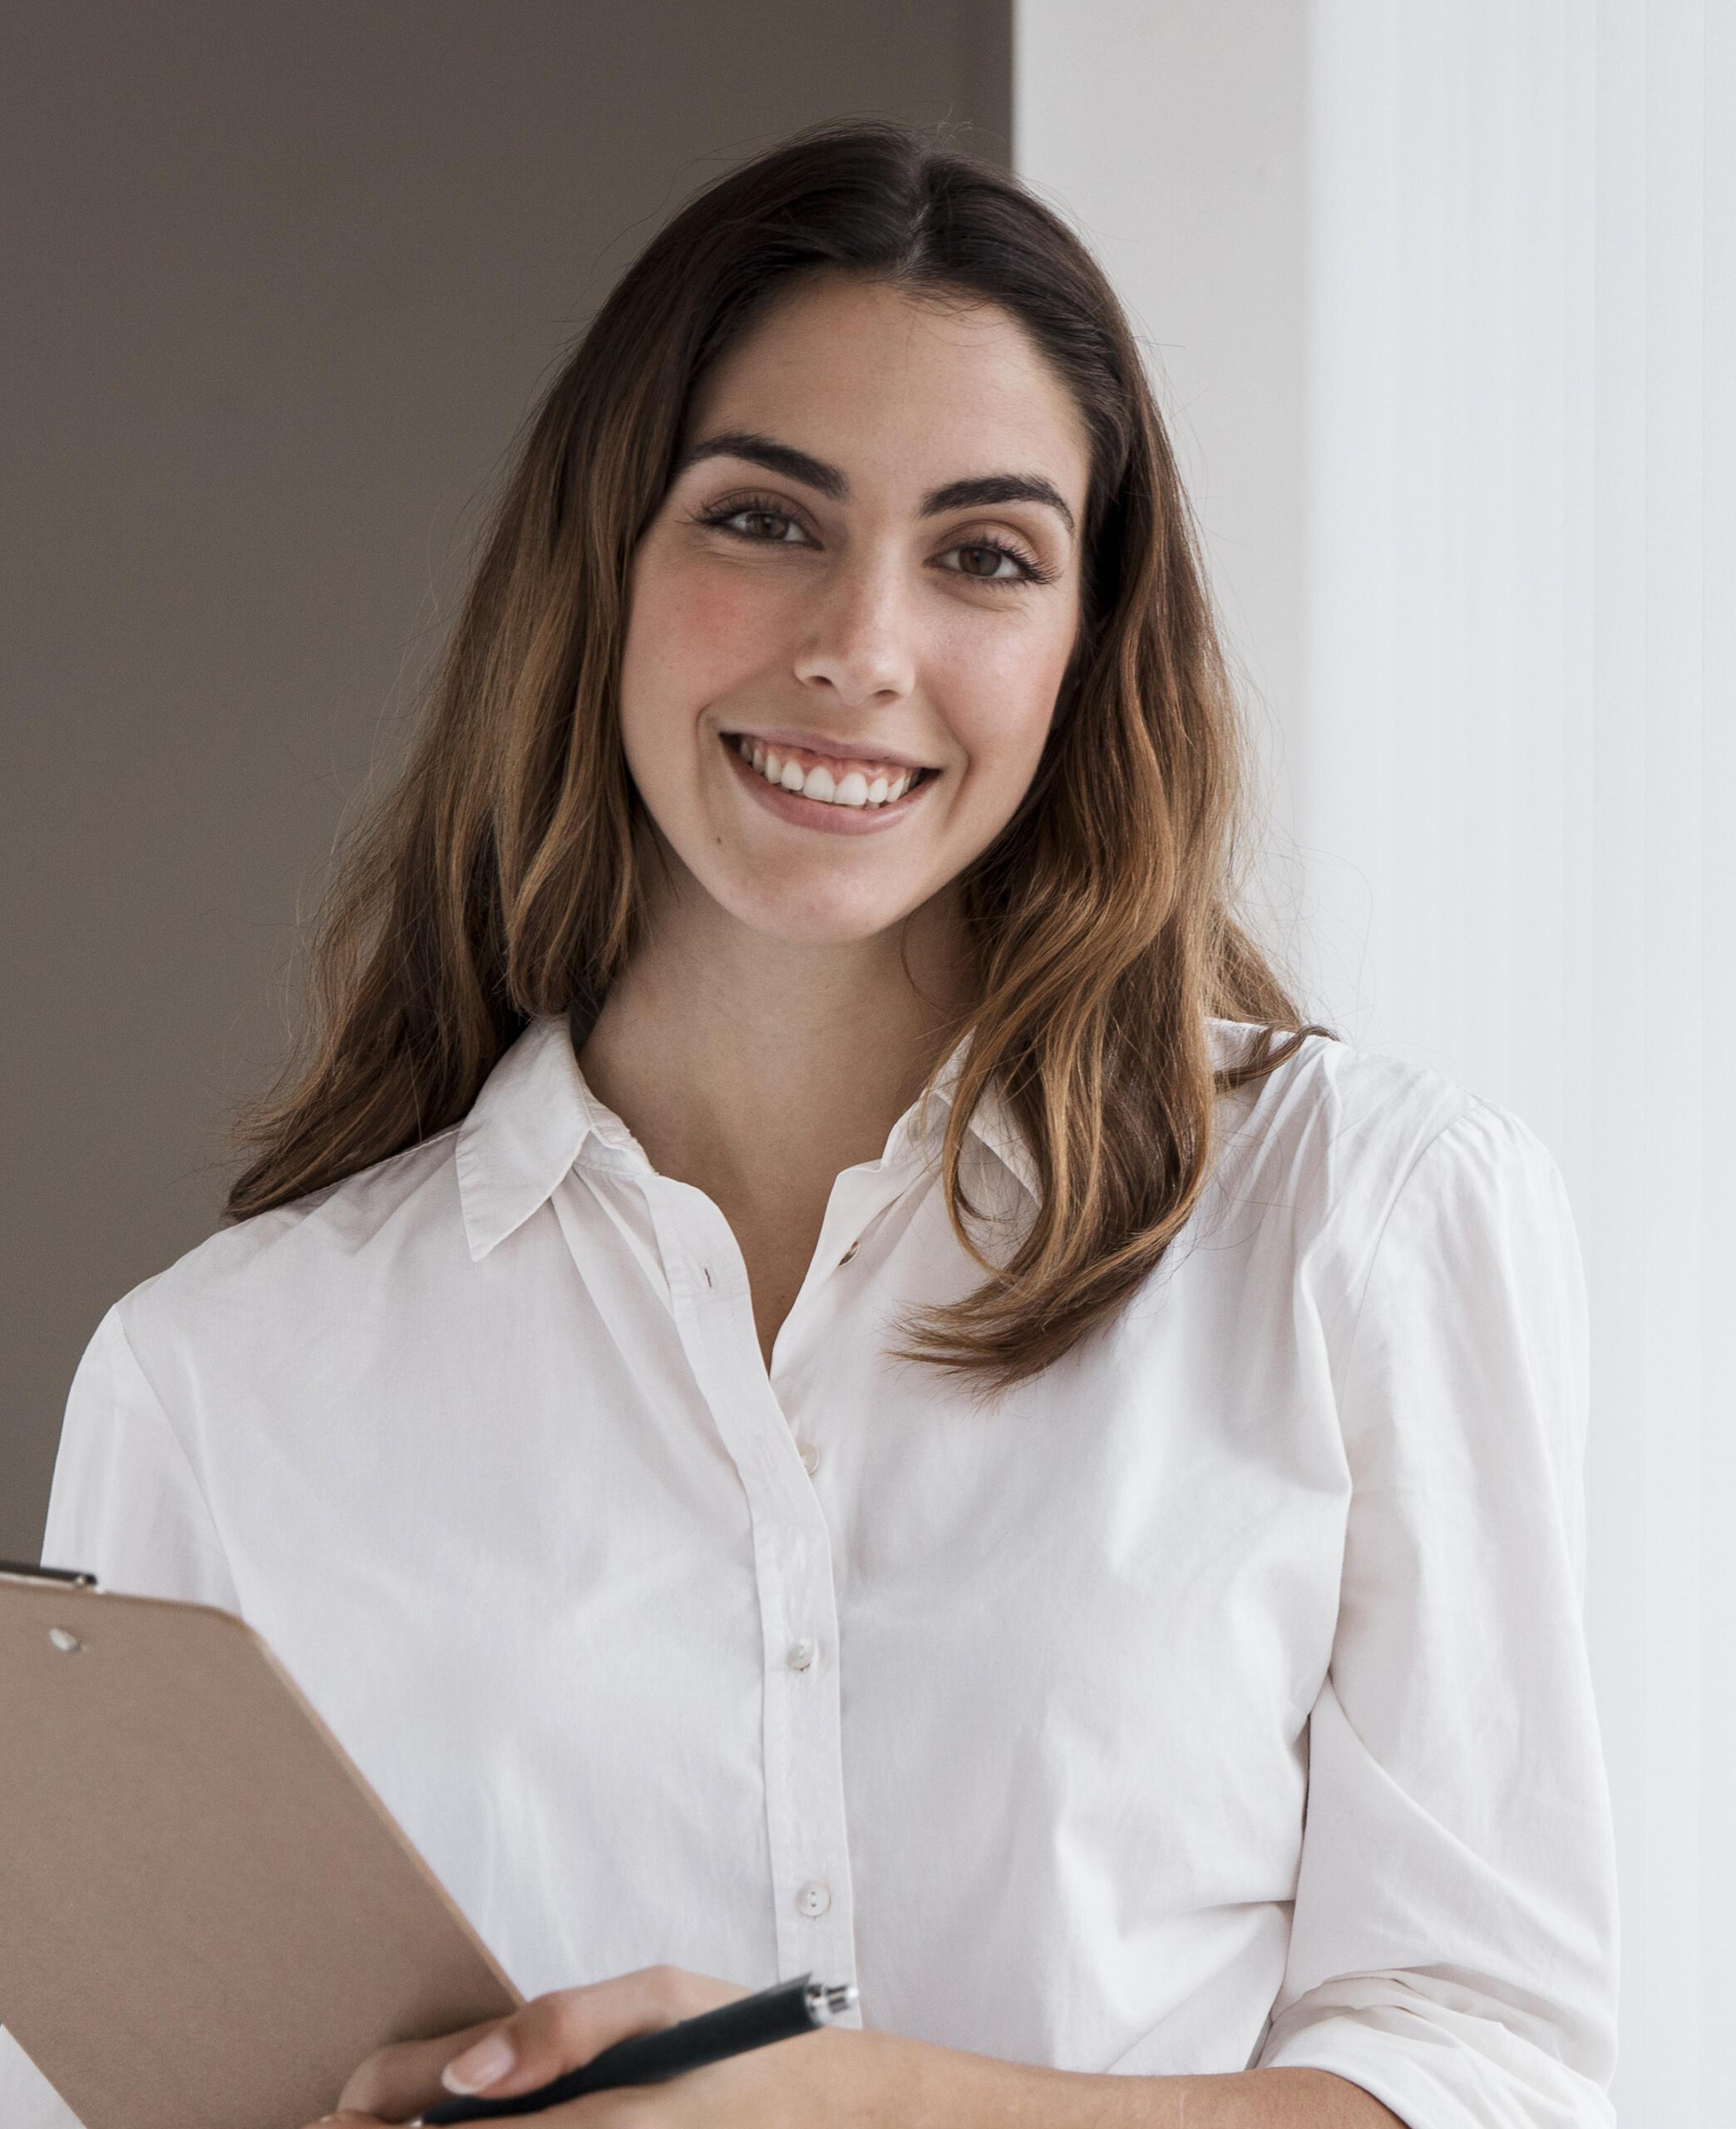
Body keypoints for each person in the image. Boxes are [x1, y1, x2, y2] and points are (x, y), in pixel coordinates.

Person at [9, 122, 1617, 2129]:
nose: (863, 645)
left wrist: (859, 2105)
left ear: (1087, 642)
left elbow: (1499, 2074)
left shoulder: (1359, 1223)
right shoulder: (225, 1374)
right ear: (604, 562)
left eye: (986, 554)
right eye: (765, 519)